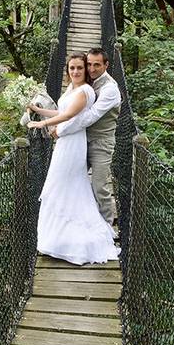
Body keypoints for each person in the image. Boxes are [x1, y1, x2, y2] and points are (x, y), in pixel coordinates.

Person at [27, 54, 119, 265]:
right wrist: (39, 110)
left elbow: (74, 117)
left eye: (80, 68)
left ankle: (92, 233)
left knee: (72, 184)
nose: (76, 71)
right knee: (68, 185)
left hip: (79, 141)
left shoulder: (89, 90)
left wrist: (45, 126)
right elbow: (63, 110)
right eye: (72, 68)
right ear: (67, 70)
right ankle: (57, 236)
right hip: (71, 141)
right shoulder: (73, 88)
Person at [56, 48, 121, 229]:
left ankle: (107, 227)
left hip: (102, 143)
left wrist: (61, 129)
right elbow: (67, 107)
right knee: (73, 180)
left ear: (106, 65)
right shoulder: (85, 81)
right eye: (89, 64)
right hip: (81, 140)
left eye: (97, 65)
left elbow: (90, 116)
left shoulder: (110, 89)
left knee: (99, 186)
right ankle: (77, 221)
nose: (92, 69)